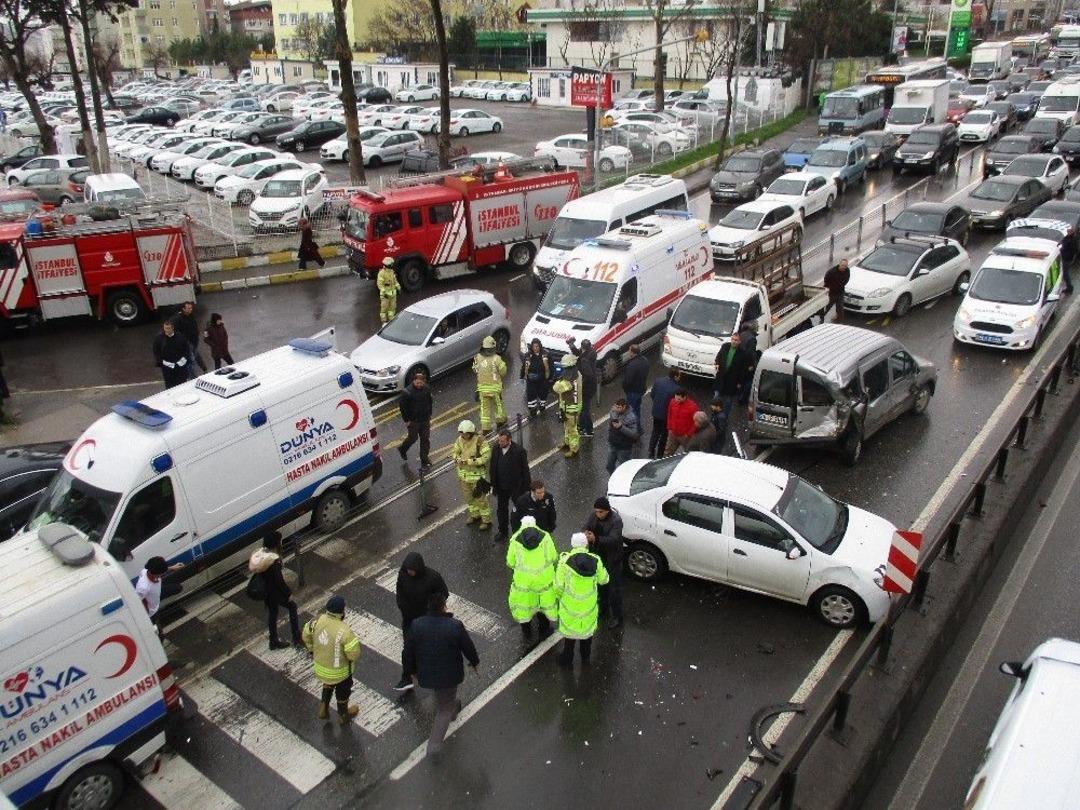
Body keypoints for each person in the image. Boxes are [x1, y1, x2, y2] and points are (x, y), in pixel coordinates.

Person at [403, 592, 480, 757]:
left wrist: (411, 671)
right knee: (444, 709)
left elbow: (407, 652)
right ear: (443, 607)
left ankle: (453, 708)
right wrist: (474, 662)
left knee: (443, 695)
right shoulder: (454, 626)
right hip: (449, 674)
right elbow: (468, 647)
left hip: (426, 674)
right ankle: (434, 746)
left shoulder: (417, 625)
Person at [393, 552, 448, 692]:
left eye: (412, 569)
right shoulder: (403, 574)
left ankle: (437, 678)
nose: (409, 572)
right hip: (410, 619)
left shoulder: (433, 577)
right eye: (408, 569)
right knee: (408, 650)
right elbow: (399, 592)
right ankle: (407, 677)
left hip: (427, 620)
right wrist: (403, 607)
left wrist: (433, 610)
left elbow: (443, 593)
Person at [302, 596, 361, 724]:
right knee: (343, 691)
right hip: (340, 671)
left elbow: (306, 634)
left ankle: (324, 705)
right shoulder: (344, 630)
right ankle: (343, 714)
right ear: (341, 611)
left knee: (328, 682)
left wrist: (312, 649)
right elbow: (353, 654)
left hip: (320, 666)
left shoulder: (316, 621)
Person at [554, 532, 608, 666]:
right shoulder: (596, 560)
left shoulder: (564, 561)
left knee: (570, 637)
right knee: (587, 636)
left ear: (572, 544)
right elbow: (604, 579)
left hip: (570, 608)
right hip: (588, 608)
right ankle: (585, 659)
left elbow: (559, 586)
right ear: (586, 544)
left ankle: (567, 659)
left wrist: (559, 598)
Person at [505, 516, 558, 639]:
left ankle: (526, 631)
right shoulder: (545, 537)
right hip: (543, 579)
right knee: (543, 603)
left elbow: (510, 562)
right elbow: (553, 557)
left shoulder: (515, 540)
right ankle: (544, 628)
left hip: (524, 582)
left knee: (525, 605)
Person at [248, 532, 302, 650]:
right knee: (292, 607)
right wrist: (288, 594)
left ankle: (273, 641)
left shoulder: (262, 554)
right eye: (280, 541)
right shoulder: (273, 559)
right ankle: (296, 637)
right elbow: (279, 580)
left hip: (266, 591)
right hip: (275, 592)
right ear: (276, 543)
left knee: (273, 613)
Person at [585, 497, 625, 629]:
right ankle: (603, 608)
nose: (598, 514)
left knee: (614, 590)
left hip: (612, 560)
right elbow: (586, 526)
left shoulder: (616, 521)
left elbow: (613, 539)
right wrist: (586, 533)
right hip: (599, 558)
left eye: (601, 512)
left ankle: (617, 616)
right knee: (601, 586)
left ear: (607, 511)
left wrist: (596, 539)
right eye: (596, 511)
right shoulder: (594, 516)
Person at [488, 429, 531, 542]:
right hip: (501, 487)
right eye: (499, 441)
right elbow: (493, 468)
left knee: (520, 510)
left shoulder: (519, 451)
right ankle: (503, 532)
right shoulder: (496, 449)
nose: (500, 443)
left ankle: (521, 531)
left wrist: (526, 487)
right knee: (501, 510)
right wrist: (493, 485)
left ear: (509, 440)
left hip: (515, 487)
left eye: (502, 441)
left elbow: (525, 470)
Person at [451, 419, 492, 530]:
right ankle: (475, 515)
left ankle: (486, 520)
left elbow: (486, 456)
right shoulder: (459, 440)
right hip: (464, 476)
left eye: (466, 434)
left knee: (481, 500)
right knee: (468, 498)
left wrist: (472, 462)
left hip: (477, 477)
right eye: (462, 434)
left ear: (471, 432)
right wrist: (457, 458)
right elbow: (454, 452)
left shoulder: (480, 441)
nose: (463, 436)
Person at [713, 332, 754, 423]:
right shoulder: (725, 346)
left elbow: (743, 370)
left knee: (728, 401)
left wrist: (740, 382)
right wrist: (717, 363)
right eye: (733, 339)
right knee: (716, 397)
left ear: (740, 342)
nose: (734, 342)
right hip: (721, 378)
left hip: (732, 381)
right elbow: (719, 357)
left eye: (736, 340)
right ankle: (714, 416)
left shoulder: (743, 353)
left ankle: (724, 418)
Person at [398, 372, 433, 470]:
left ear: (424, 382)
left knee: (425, 439)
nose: (419, 385)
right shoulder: (407, 392)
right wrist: (407, 420)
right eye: (417, 383)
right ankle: (403, 449)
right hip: (413, 421)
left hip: (425, 419)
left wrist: (429, 414)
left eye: (421, 383)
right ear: (414, 381)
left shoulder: (427, 389)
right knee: (412, 438)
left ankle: (424, 459)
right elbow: (402, 408)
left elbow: (430, 402)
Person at [135, 555, 184, 625]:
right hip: (151, 613)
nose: (163, 573)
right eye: (162, 573)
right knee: (156, 630)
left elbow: (161, 569)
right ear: (157, 574)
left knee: (178, 588)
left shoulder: (147, 570)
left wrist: (173, 567)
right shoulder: (143, 588)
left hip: (155, 595)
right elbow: (137, 603)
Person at [551, 353, 583, 458]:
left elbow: (556, 388)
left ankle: (574, 449)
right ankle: (567, 442)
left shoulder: (569, 381)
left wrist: (559, 381)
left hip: (571, 408)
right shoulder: (577, 373)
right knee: (567, 427)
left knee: (572, 429)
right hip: (568, 406)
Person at [473, 335, 507, 432]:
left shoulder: (477, 357)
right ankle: (500, 421)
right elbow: (503, 371)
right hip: (495, 389)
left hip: (482, 389)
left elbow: (475, 370)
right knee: (498, 405)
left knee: (485, 409)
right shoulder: (497, 358)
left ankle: (485, 427)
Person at [567, 337, 597, 437]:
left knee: (584, 410)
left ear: (583, 347)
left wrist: (579, 384)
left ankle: (584, 429)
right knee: (584, 409)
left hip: (586, 389)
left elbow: (588, 376)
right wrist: (571, 345)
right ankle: (586, 429)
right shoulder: (589, 353)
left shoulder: (585, 360)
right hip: (589, 387)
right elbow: (577, 352)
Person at [648, 369, 681, 458]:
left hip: (656, 412)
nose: (680, 377)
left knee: (655, 431)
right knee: (664, 435)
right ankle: (660, 454)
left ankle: (651, 450)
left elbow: (652, 395)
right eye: (679, 376)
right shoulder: (676, 388)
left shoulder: (658, 381)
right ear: (675, 376)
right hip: (666, 415)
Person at [152, 318, 191, 389]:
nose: (166, 330)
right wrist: (162, 362)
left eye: (168, 328)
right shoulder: (159, 338)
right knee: (170, 386)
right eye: (165, 328)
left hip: (180, 366)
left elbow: (186, 349)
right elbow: (156, 352)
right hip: (167, 367)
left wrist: (183, 360)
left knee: (182, 385)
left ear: (173, 328)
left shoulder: (180, 337)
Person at [605, 398, 639, 474]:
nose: (617, 409)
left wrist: (621, 427)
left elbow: (633, 434)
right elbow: (612, 413)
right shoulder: (614, 411)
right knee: (609, 466)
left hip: (623, 448)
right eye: (616, 407)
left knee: (625, 468)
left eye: (619, 407)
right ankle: (613, 480)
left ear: (624, 407)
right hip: (613, 444)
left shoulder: (631, 417)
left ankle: (624, 482)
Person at [175, 301, 208, 378]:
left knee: (196, 355)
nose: (190, 310)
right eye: (188, 308)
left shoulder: (191, 316)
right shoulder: (179, 319)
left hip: (193, 341)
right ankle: (193, 377)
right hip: (187, 343)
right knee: (190, 360)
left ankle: (204, 368)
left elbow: (194, 327)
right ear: (183, 309)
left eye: (191, 308)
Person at [520, 338, 551, 416]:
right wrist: (522, 376)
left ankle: (542, 406)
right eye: (534, 347)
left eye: (537, 346)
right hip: (531, 380)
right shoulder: (528, 355)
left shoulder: (546, 354)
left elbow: (551, 366)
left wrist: (550, 378)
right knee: (531, 396)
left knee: (543, 394)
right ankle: (532, 410)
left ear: (540, 346)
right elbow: (524, 366)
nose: (535, 348)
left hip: (542, 380)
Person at [664, 389, 699, 455]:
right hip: (673, 433)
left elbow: (696, 422)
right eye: (675, 398)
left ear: (685, 397)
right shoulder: (672, 401)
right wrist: (669, 427)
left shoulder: (693, 406)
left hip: (685, 436)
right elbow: (669, 414)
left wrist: (688, 434)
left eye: (679, 399)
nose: (676, 401)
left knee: (688, 454)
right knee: (667, 453)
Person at [621, 343, 649, 425]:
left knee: (631, 412)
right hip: (641, 389)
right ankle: (638, 428)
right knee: (637, 409)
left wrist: (624, 387)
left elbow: (628, 381)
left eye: (629, 351)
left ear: (633, 353)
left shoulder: (632, 365)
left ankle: (634, 430)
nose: (629, 353)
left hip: (632, 391)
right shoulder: (645, 360)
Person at [376, 256, 401, 325]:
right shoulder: (381, 273)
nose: (392, 265)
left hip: (393, 294)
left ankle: (391, 320)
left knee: (392, 309)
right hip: (385, 296)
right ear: (387, 265)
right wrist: (384, 293)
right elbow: (380, 285)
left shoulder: (392, 272)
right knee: (384, 309)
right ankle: (384, 322)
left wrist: (399, 288)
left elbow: (395, 281)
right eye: (391, 264)